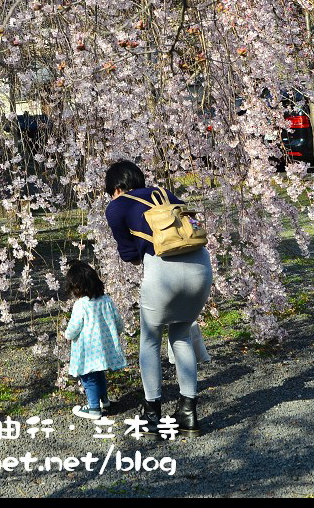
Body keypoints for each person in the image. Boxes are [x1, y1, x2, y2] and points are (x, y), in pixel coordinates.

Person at [104, 159, 212, 437]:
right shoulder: (165, 194)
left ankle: (152, 414)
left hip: (164, 275)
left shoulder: (118, 205)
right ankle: (188, 414)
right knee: (181, 335)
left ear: (117, 187)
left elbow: (128, 255)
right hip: (202, 268)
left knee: (150, 340)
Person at [63, 259, 127, 420]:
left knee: (88, 377)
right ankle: (104, 401)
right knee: (99, 374)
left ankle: (93, 409)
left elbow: (74, 326)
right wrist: (116, 332)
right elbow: (118, 321)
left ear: (76, 287)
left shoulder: (81, 305)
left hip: (88, 350)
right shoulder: (106, 300)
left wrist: (67, 335)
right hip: (103, 348)